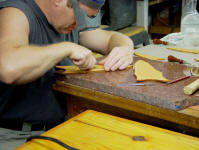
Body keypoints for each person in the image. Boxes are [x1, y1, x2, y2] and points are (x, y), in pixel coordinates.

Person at [0, 0, 134, 149]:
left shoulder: (68, 22)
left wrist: (124, 48)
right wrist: (66, 48)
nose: (80, 24)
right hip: (16, 136)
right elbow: (8, 67)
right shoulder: (15, 13)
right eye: (80, 16)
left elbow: (110, 38)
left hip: (59, 127)